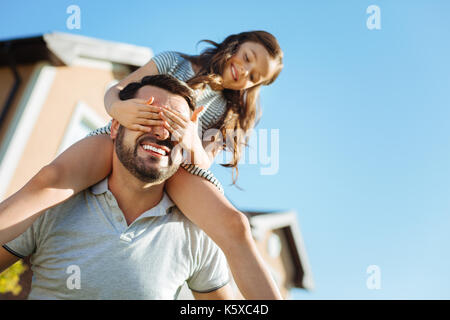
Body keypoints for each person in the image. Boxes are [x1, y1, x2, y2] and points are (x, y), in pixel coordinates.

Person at [0, 31, 284, 299]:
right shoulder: (175, 61)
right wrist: (117, 108)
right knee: (50, 179)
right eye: (247, 58)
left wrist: (189, 138)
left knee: (236, 225)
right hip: (123, 139)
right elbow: (118, 89)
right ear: (234, 45)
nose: (245, 72)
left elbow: (203, 162)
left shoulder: (229, 112)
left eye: (255, 77)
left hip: (177, 164)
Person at [0, 75, 234, 300]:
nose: (162, 132)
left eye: (175, 125)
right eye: (149, 117)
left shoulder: (196, 234)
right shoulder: (51, 203)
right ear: (114, 128)